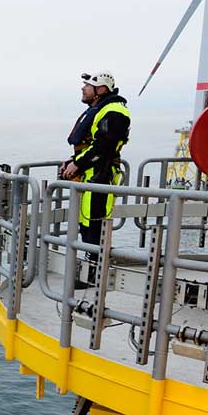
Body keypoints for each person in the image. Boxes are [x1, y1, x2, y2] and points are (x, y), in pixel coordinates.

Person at [59, 70, 131, 287]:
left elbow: (105, 145)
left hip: (101, 175)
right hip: (91, 174)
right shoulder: (100, 109)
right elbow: (91, 143)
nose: (83, 88)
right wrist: (73, 160)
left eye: (87, 85)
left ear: (101, 90)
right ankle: (88, 274)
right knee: (85, 224)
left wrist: (78, 164)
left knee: (95, 225)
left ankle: (94, 277)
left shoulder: (115, 111)